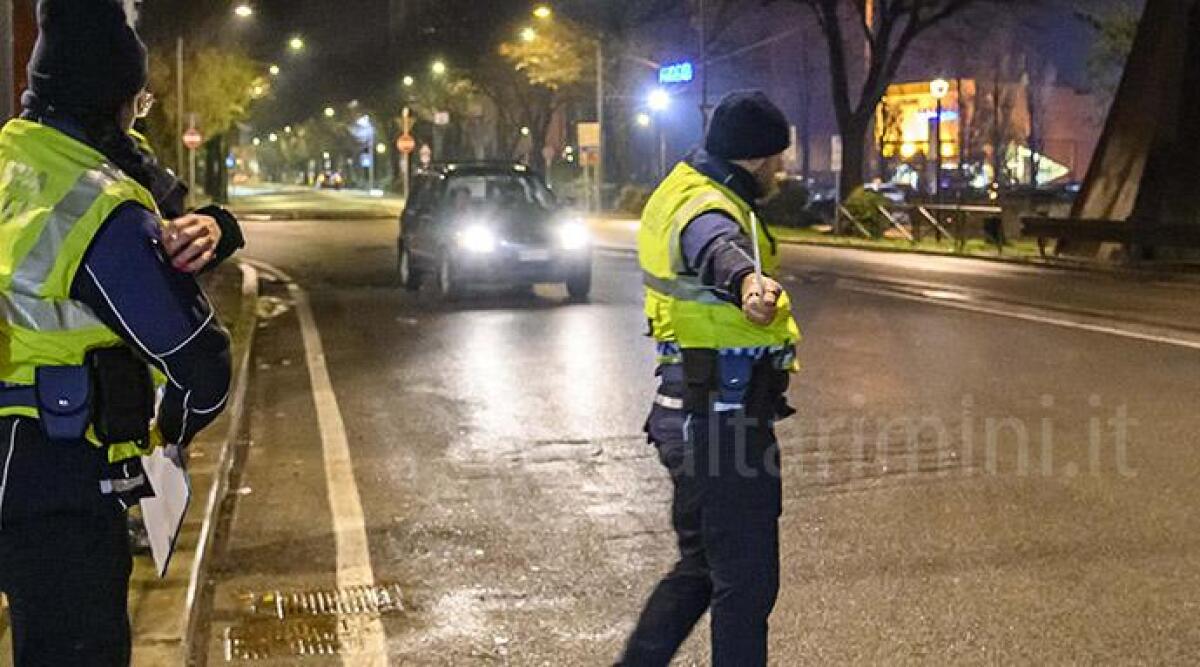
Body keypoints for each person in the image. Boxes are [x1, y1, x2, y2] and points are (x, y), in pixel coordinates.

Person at [0, 1, 238, 664]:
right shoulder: (98, 205)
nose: (142, 111)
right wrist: (170, 432)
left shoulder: (11, 160)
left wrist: (217, 226)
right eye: (139, 98)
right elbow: (203, 365)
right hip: (62, 489)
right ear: (115, 99)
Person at [618, 90, 802, 666]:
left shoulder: (683, 187)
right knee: (745, 584)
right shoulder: (706, 206)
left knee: (703, 568)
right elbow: (715, 248)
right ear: (756, 158)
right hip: (720, 425)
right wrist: (749, 284)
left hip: (688, 411)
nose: (783, 169)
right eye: (778, 158)